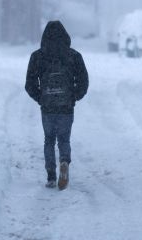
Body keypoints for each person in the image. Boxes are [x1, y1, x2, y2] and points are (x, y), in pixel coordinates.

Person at [25, 21, 89, 190]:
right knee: (64, 139)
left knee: (49, 140)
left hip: (48, 107)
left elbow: (29, 84)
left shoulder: (38, 56)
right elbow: (83, 80)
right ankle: (64, 162)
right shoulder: (73, 56)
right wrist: (74, 96)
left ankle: (51, 176)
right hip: (66, 106)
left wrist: (40, 98)